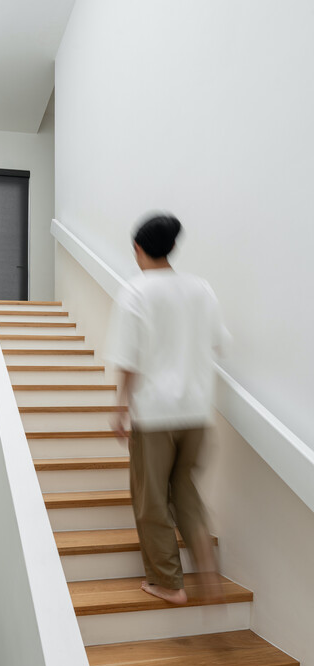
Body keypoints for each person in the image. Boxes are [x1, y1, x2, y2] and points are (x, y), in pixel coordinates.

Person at [109, 214, 229, 605]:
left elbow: (129, 360)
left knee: (151, 498)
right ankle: (205, 560)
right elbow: (213, 343)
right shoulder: (201, 289)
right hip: (196, 411)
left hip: (155, 413)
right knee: (185, 491)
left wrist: (120, 408)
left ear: (139, 249)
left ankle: (168, 582)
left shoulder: (135, 292)